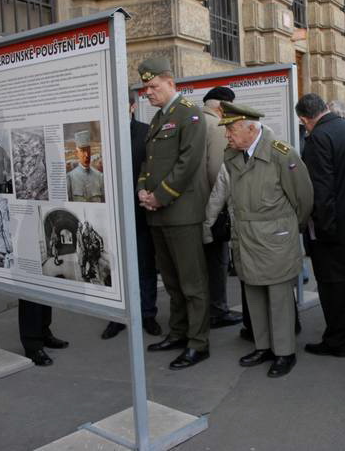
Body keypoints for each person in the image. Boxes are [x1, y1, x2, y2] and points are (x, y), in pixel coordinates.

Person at [219, 102, 313, 377]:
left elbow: (303, 199)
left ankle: (284, 352)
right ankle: (263, 346)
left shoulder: (281, 154)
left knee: (279, 296)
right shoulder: (233, 155)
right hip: (246, 237)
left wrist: (287, 227)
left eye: (232, 129)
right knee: (254, 293)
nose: (228, 135)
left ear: (251, 128)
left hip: (275, 237)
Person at [137, 57, 210, 370]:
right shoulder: (157, 119)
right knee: (171, 280)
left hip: (181, 212)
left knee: (192, 283)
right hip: (158, 214)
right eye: (145, 88)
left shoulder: (189, 114)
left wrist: (160, 196)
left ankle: (198, 342)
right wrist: (143, 191)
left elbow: (188, 162)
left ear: (170, 82)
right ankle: (178, 333)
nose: (148, 93)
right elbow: (148, 163)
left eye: (153, 86)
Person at [295, 93, 345, 357]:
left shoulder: (318, 137)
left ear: (305, 119)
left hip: (334, 225)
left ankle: (336, 340)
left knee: (333, 285)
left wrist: (322, 228)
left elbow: (321, 189)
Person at [101, 92, 162, 339]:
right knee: (114, 267)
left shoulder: (147, 132)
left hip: (140, 212)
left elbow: (153, 169)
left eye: (121, 105)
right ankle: (117, 317)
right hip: (111, 214)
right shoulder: (103, 133)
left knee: (145, 265)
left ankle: (148, 314)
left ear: (132, 106)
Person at [201, 86, 242, 329]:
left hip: (194, 206)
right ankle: (217, 310)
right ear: (221, 107)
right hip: (212, 208)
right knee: (217, 262)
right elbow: (219, 173)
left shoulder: (194, 119)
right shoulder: (216, 126)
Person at [67, 130, 104, 202]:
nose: (87, 155)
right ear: (77, 153)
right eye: (83, 151)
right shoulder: (70, 178)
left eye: (88, 150)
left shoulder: (100, 177)